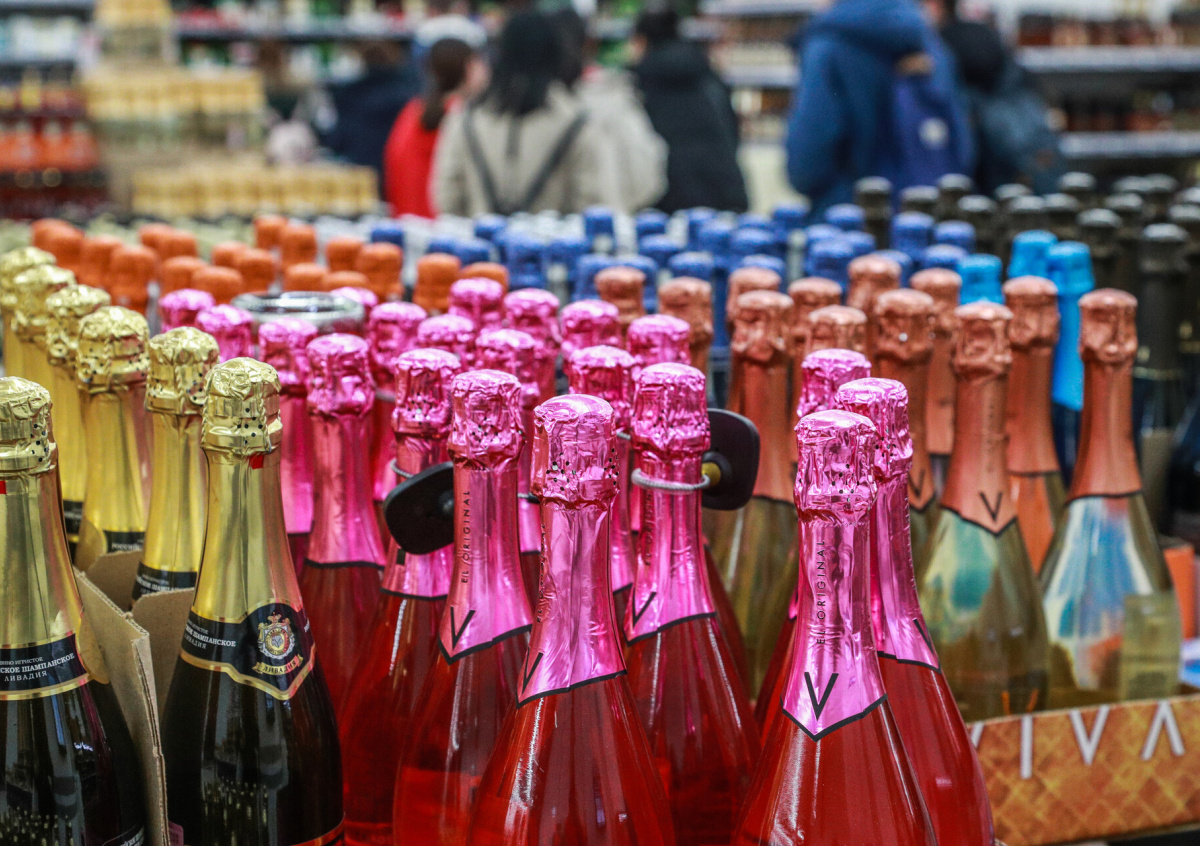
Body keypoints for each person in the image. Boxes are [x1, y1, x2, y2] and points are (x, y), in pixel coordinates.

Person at [785, 0, 974, 215]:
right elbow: (963, 148)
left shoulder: (828, 46)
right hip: (925, 213)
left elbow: (805, 166)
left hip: (852, 217)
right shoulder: (930, 43)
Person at [433, 11, 618, 217]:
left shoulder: (467, 118)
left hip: (482, 233)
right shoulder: (576, 121)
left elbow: (447, 198)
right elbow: (593, 201)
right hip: (554, 236)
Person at [631, 7, 748, 213]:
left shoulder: (641, 85)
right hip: (726, 190)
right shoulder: (705, 72)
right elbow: (733, 129)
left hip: (671, 199)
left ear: (641, 40)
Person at [552, 8, 668, 214]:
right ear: (588, 44)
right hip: (617, 220)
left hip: (555, 227)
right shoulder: (614, 97)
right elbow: (647, 176)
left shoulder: (539, 109)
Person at [383, 17, 488, 217]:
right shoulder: (461, 117)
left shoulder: (414, 110)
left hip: (408, 221)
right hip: (442, 225)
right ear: (467, 66)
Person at [322, 41, 420, 180]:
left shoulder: (348, 95)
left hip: (361, 173)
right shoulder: (411, 94)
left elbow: (337, 140)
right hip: (397, 171)